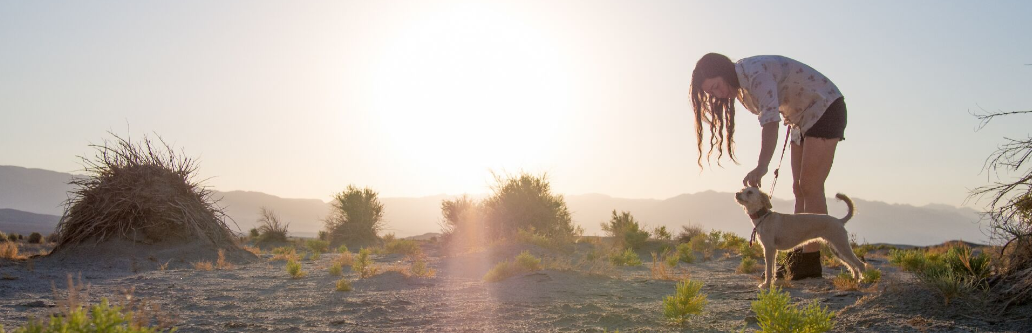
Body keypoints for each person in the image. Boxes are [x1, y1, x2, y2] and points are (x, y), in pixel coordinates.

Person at [690, 53, 847, 279]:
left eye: (716, 86)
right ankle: (800, 257)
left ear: (725, 74)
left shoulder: (755, 75)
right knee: (798, 188)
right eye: (711, 92)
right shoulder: (742, 89)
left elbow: (770, 122)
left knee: (810, 186)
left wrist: (762, 166)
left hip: (824, 108)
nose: (717, 94)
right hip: (800, 119)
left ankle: (810, 262)